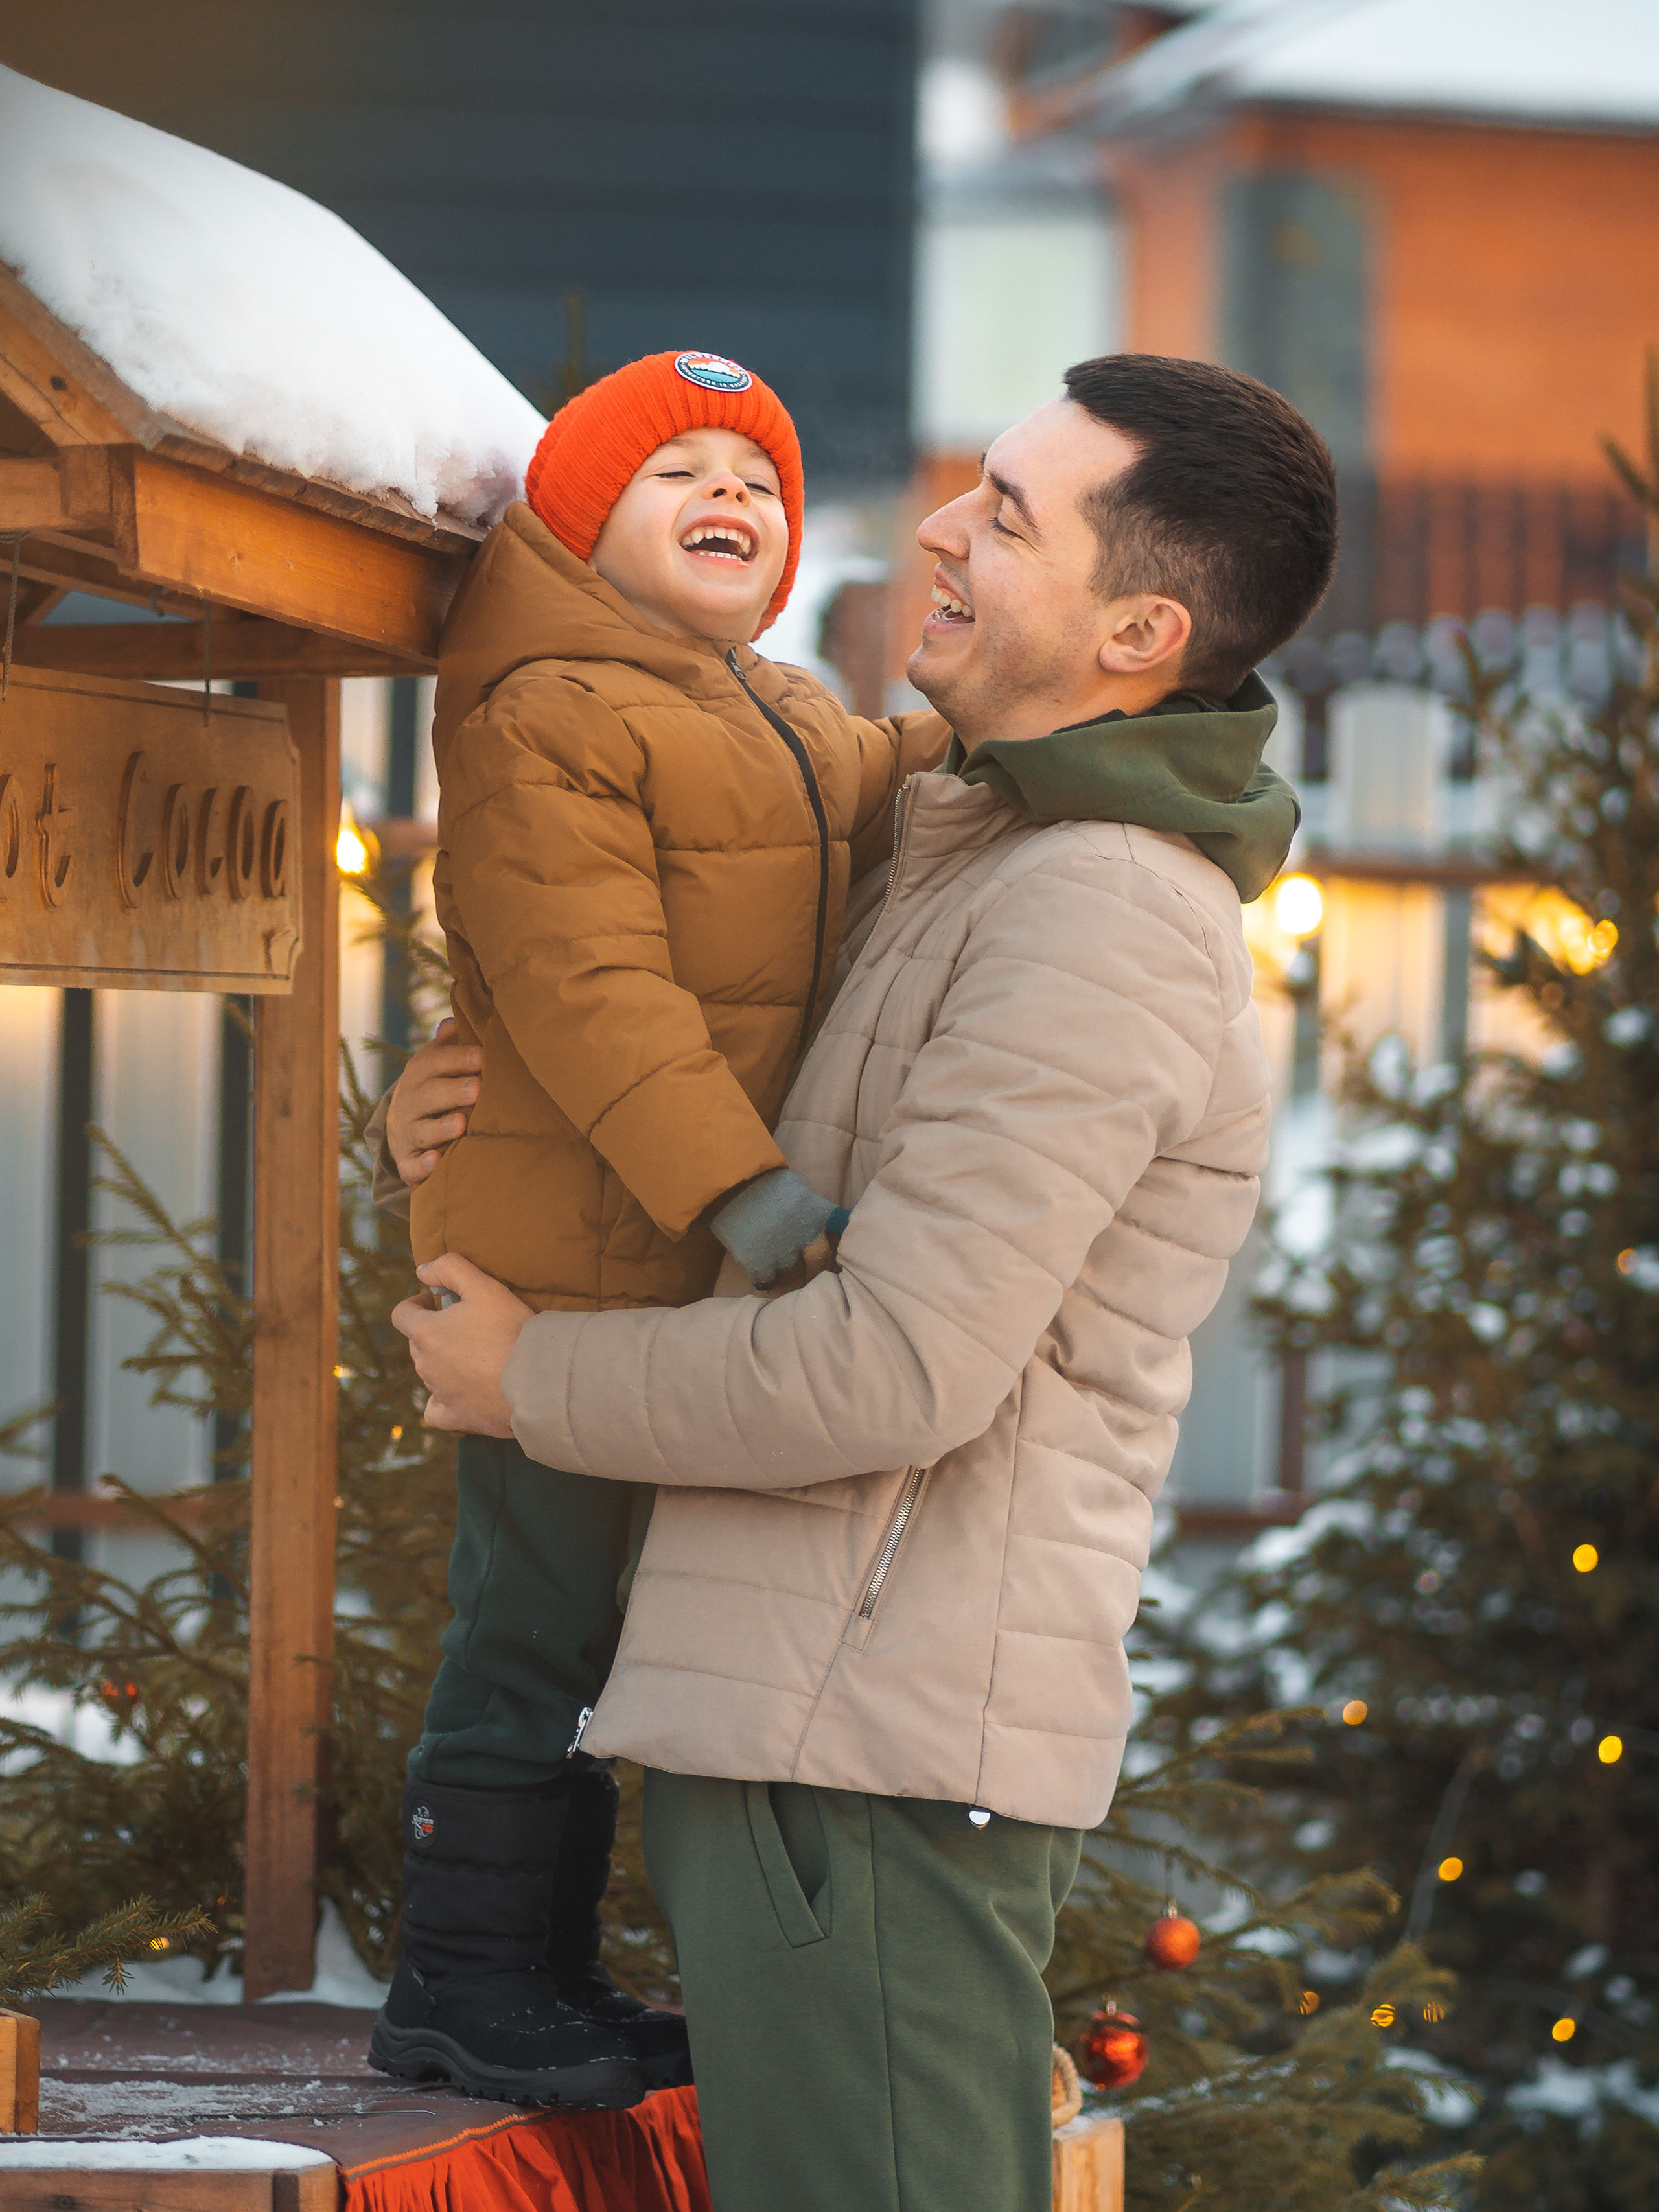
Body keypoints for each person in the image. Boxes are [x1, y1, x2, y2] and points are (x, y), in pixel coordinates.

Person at [390, 353, 1338, 2212]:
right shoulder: (963, 840)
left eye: (1009, 513)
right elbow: (653, 1001)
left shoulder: (1100, 914)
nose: (939, 533)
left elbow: (895, 1367)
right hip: (804, 1724)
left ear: (1140, 629)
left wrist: (531, 1381)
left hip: (871, 1766)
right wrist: (445, 1103)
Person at [367, 347, 946, 2110]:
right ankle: (460, 1985)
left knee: (612, 1635)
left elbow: (896, 776)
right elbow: (590, 987)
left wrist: (1051, 729)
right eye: (679, 467)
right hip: (567, 1254)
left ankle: (542, 1977)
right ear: (576, 518)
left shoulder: (754, 707)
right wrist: (742, 1190)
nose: (733, 497)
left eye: (761, 481)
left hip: (656, 1254)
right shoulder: (549, 711)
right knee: (533, 1622)